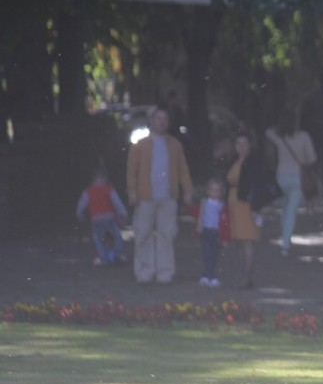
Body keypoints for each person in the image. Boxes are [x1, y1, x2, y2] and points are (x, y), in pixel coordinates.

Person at [126, 107, 193, 284]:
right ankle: (144, 271)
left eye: (165, 118)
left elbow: (183, 170)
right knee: (143, 234)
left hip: (168, 196)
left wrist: (187, 191)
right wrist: (132, 192)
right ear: (151, 121)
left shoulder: (175, 145)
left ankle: (165, 272)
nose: (161, 122)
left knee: (166, 235)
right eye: (158, 118)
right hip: (145, 196)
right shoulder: (140, 145)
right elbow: (132, 171)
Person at [266, 110, 317, 257]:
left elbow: (267, 131)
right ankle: (286, 244)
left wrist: (280, 127)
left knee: (285, 208)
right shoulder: (303, 137)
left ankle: (285, 238)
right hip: (297, 178)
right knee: (291, 210)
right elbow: (312, 158)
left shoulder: (279, 137)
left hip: (281, 177)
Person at [226, 132, 265, 288]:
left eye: (244, 143)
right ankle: (242, 273)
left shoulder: (253, 163)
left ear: (250, 145)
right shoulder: (233, 161)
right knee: (239, 241)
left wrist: (255, 208)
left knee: (247, 241)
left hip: (246, 205)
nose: (241, 147)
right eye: (238, 144)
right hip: (234, 203)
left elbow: (256, 186)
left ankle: (246, 276)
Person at [76, 168, 128, 266]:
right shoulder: (109, 189)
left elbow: (81, 204)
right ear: (105, 179)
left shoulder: (88, 191)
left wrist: (79, 214)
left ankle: (102, 257)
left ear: (92, 179)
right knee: (117, 235)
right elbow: (117, 203)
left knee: (97, 238)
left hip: (96, 218)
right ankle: (118, 253)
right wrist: (123, 214)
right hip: (109, 217)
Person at [195, 177, 227, 287]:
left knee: (214, 254)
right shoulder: (205, 202)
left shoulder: (221, 205)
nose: (215, 192)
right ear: (208, 191)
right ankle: (210, 276)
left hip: (216, 232)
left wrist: (224, 236)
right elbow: (200, 215)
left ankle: (207, 274)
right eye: (213, 190)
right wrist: (199, 227)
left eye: (217, 190)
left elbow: (224, 221)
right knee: (206, 253)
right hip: (206, 230)